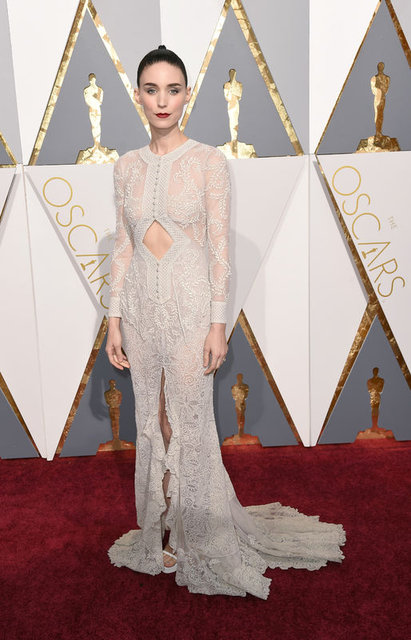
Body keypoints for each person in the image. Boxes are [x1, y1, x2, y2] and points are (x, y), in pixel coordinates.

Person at [106, 45, 346, 599]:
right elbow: (123, 247)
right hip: (140, 311)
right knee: (153, 422)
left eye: (172, 90)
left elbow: (219, 250)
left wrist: (219, 324)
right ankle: (162, 529)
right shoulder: (124, 167)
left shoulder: (210, 162)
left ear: (186, 95)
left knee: (189, 423)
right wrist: (113, 318)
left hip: (192, 310)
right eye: (151, 89)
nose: (162, 101)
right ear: (138, 95)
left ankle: (201, 534)